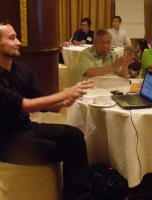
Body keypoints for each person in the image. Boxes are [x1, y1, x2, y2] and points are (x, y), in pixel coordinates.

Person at [0, 19, 94, 200]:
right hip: (6, 141)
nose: (18, 42)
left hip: (27, 128)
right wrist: (66, 91)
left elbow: (40, 102)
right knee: (70, 149)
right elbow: (26, 105)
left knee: (74, 136)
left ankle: (78, 196)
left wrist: (64, 101)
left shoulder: (22, 69)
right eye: (12, 38)